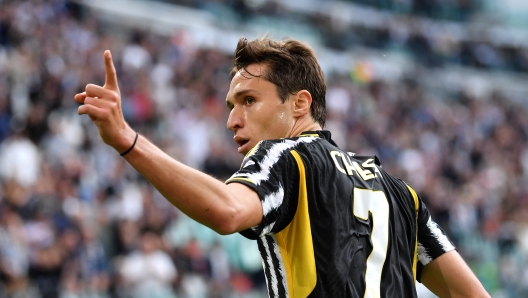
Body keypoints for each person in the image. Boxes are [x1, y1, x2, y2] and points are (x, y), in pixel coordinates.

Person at [75, 36, 490, 297]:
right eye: (230, 106)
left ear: (299, 104)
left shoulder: (287, 156)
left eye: (249, 101)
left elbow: (227, 210)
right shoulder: (400, 192)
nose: (232, 120)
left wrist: (128, 141)